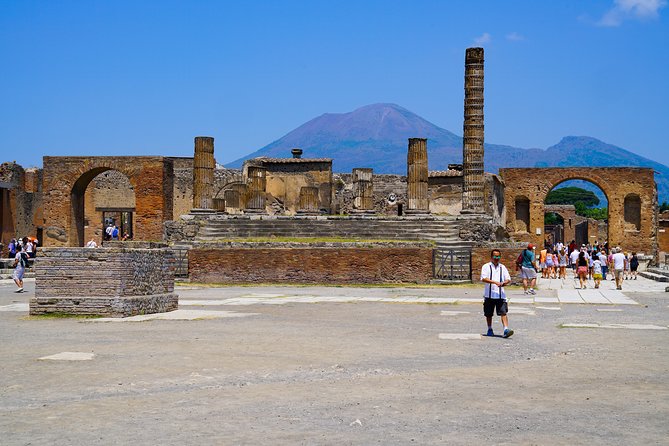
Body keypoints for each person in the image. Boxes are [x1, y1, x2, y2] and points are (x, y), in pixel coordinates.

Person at [481, 249, 513, 338]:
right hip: (489, 294)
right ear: (491, 257)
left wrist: (504, 282)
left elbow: (508, 279)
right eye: (495, 256)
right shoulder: (486, 266)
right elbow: (483, 278)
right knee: (488, 314)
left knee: (503, 312)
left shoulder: (503, 267)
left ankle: (506, 329)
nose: (496, 258)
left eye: (498, 256)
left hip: (500, 295)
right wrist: (495, 282)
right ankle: (489, 328)